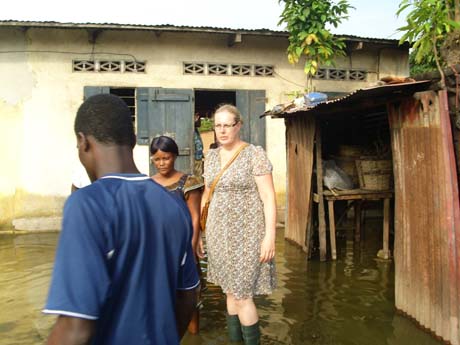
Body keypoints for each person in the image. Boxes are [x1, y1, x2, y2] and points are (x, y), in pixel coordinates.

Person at [43, 94, 199, 345]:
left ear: (83, 143)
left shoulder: (87, 204)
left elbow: (75, 327)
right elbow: (188, 297)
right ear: (134, 141)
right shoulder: (173, 205)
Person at [201, 104, 277, 345]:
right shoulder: (211, 156)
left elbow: (268, 197)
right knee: (229, 291)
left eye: (227, 125)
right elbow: (206, 195)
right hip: (217, 233)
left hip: (248, 234)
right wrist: (202, 234)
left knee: (243, 295)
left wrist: (270, 236)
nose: (222, 131)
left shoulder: (254, 154)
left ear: (239, 126)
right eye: (218, 125)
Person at [150, 135, 204, 335]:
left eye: (166, 158)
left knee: (190, 298)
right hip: (159, 251)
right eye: (157, 159)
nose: (162, 163)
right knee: (163, 297)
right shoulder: (148, 184)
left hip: (183, 248)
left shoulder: (188, 182)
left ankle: (194, 335)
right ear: (152, 160)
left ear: (174, 157)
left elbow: (194, 218)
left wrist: (190, 249)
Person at [193, 112, 204, 181]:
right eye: (196, 116)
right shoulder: (191, 128)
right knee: (197, 178)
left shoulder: (195, 129)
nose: (198, 118)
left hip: (198, 157)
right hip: (195, 157)